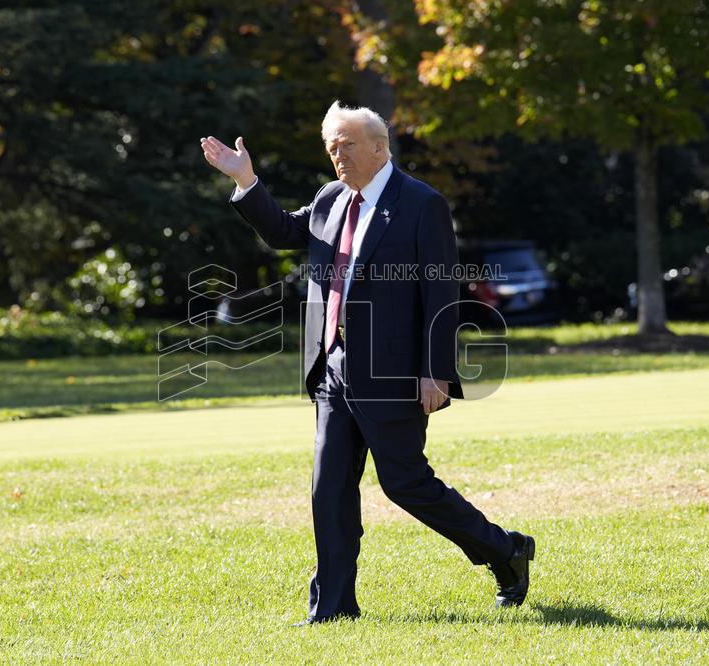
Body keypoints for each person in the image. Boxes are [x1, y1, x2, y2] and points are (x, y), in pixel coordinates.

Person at [200, 101, 534, 625]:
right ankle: (332, 608)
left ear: (380, 147)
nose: (338, 155)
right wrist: (246, 181)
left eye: (347, 144)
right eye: (332, 147)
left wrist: (435, 370)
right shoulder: (331, 198)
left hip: (395, 372)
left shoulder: (422, 204)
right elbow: (287, 233)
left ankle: (505, 551)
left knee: (406, 484)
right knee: (328, 487)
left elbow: (441, 291)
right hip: (332, 366)